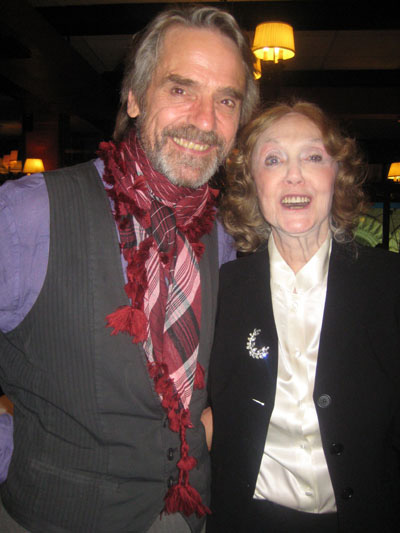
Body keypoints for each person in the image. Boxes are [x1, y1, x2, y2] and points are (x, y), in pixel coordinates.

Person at [0, 5, 259, 532]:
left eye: (226, 100)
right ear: (135, 97)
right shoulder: (29, 213)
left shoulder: (227, 237)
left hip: (191, 516)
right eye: (181, 89)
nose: (205, 121)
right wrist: (16, 455)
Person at [207, 101, 400, 533]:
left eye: (313, 157)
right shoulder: (223, 290)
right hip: (246, 520)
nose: (294, 175)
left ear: (338, 175)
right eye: (273, 159)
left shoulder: (390, 285)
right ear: (253, 183)